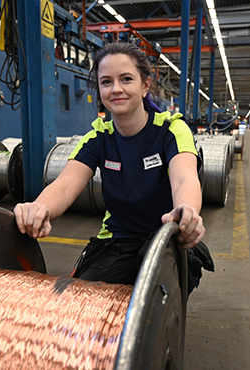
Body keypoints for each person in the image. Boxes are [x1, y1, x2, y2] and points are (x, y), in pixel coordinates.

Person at [14, 42, 211, 289]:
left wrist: (186, 211)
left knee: (154, 303)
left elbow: (185, 178)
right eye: (106, 82)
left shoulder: (171, 129)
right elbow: (64, 185)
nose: (116, 89)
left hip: (166, 238)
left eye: (126, 79)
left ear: (145, 85)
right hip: (117, 240)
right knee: (82, 301)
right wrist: (38, 208)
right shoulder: (98, 138)